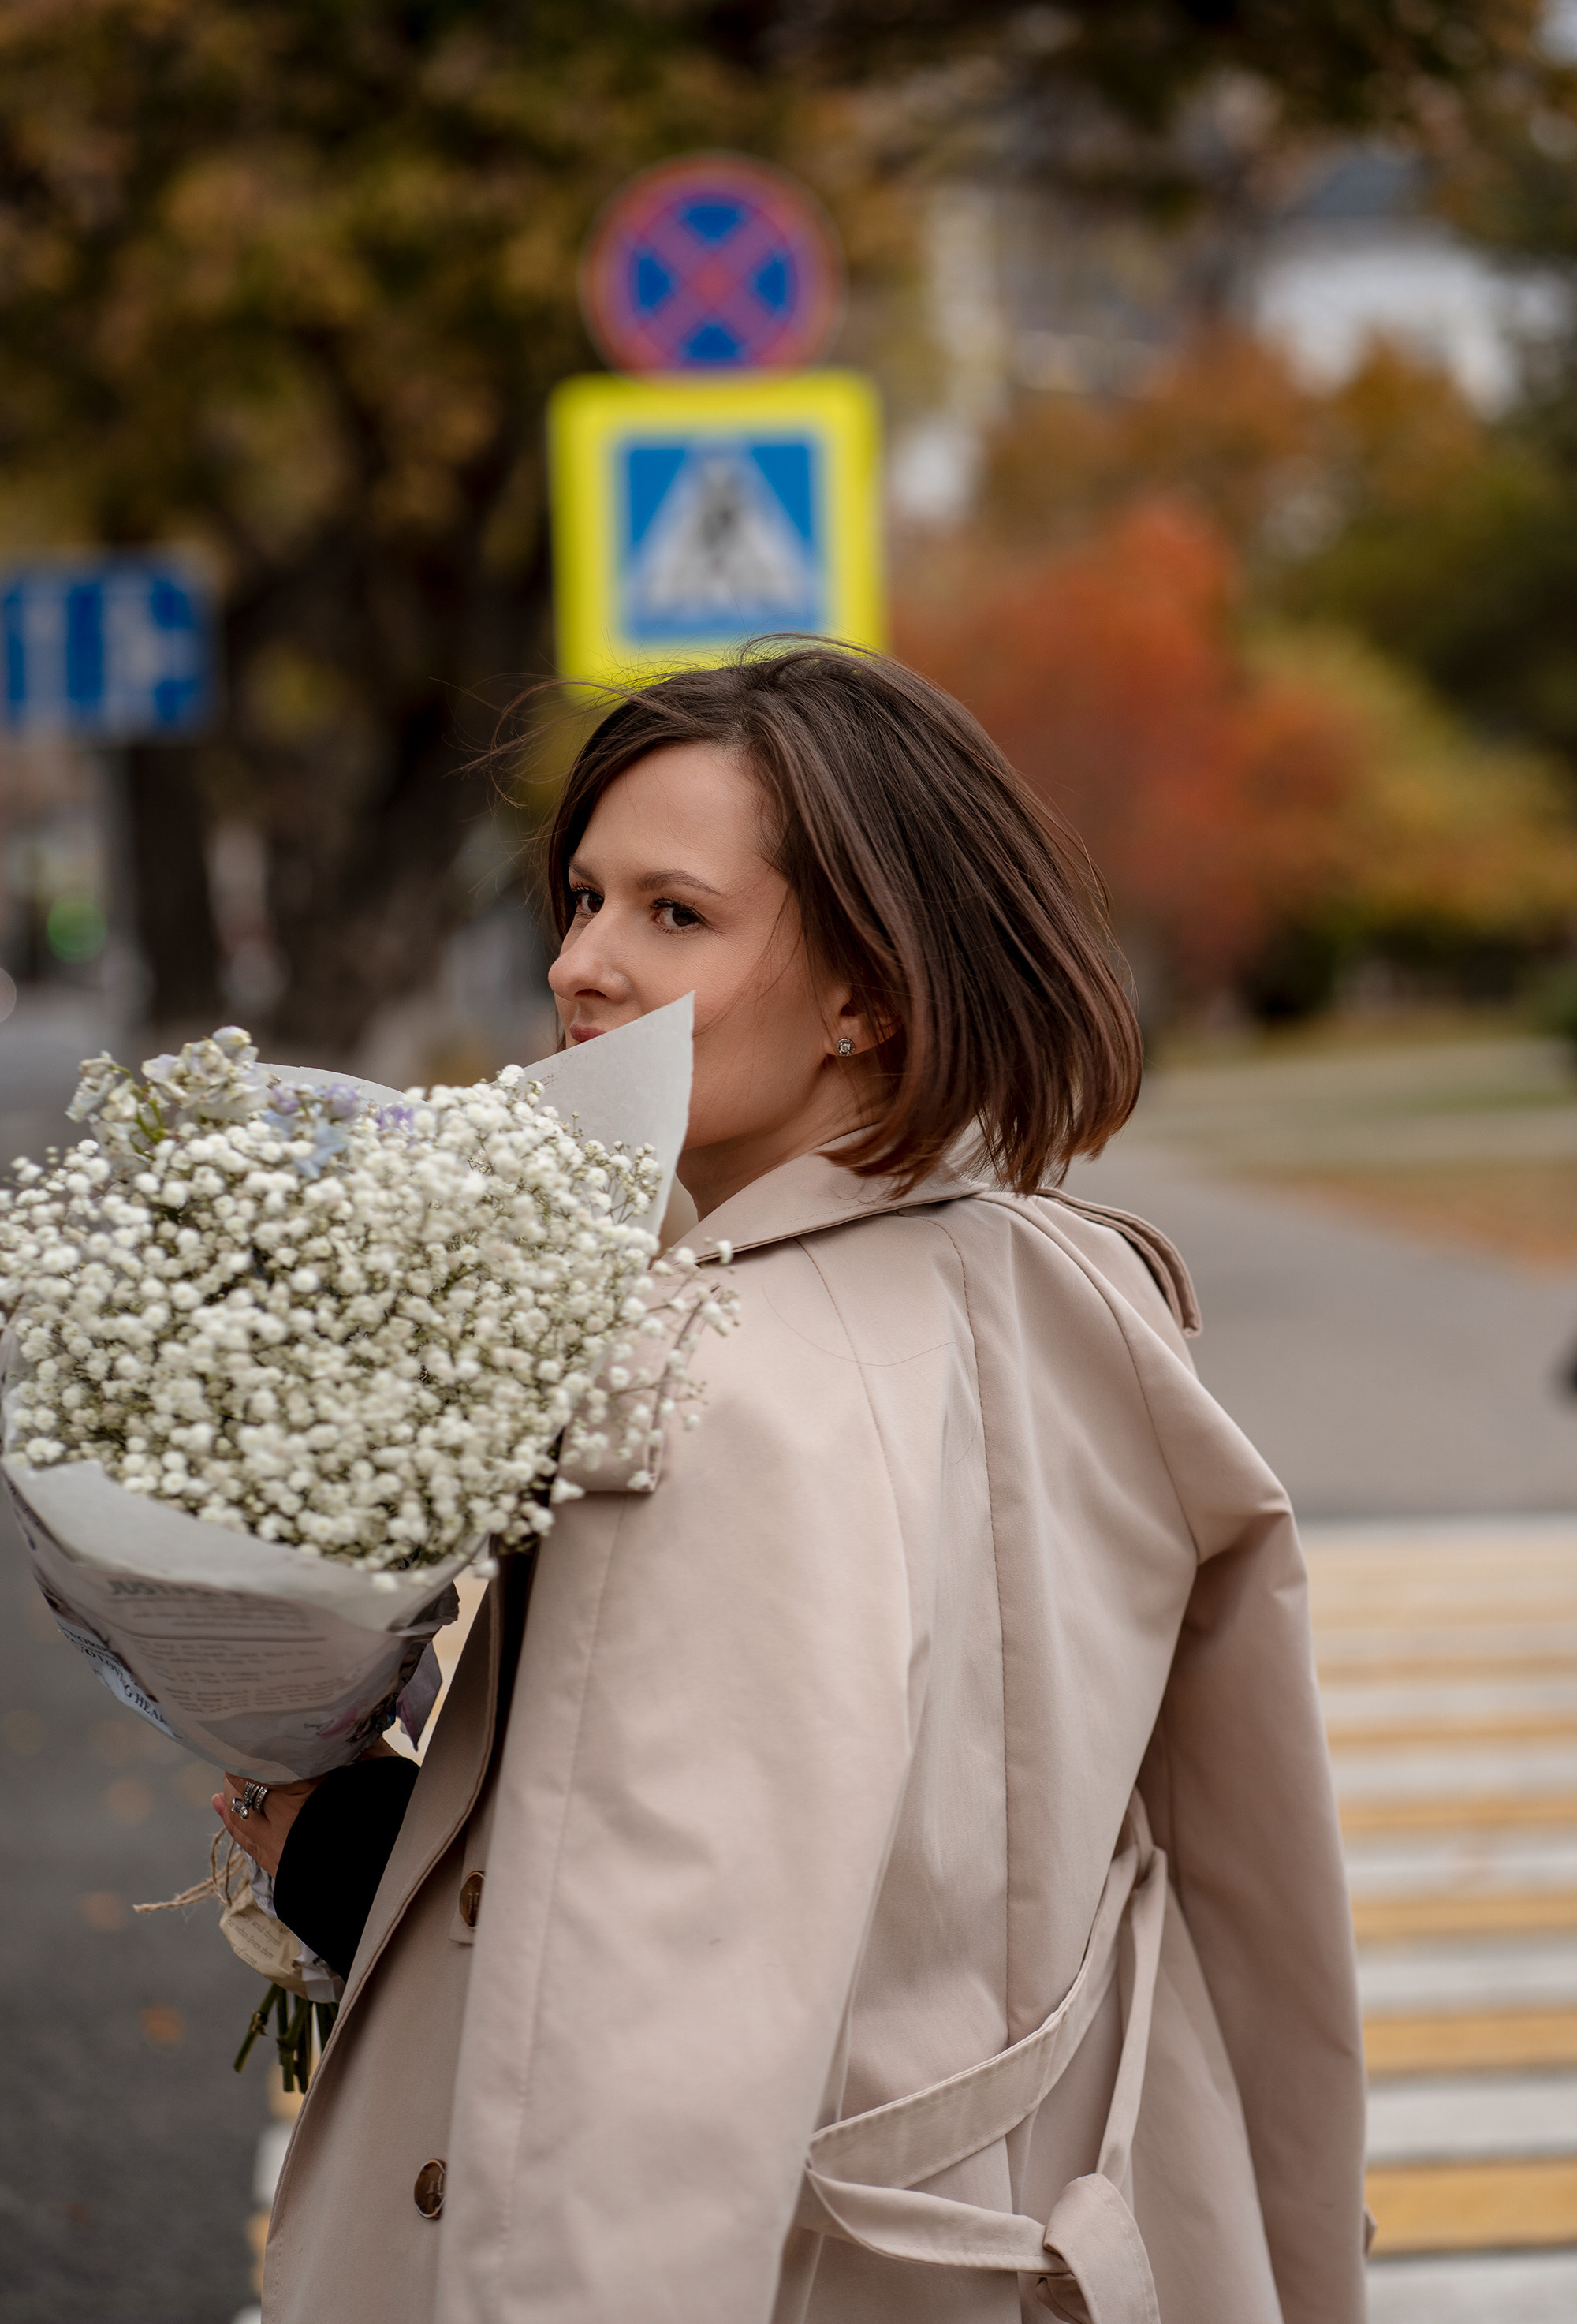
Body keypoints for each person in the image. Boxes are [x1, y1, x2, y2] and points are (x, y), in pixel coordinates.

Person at [222, 644, 1367, 2324]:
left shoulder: (704, 1396)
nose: (582, 966)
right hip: (1071, 2250)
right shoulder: (1067, 1291)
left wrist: (333, 1855)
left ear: (869, 997)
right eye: (585, 896)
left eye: (674, 915)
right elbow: (1259, 1904)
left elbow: (637, 2089)